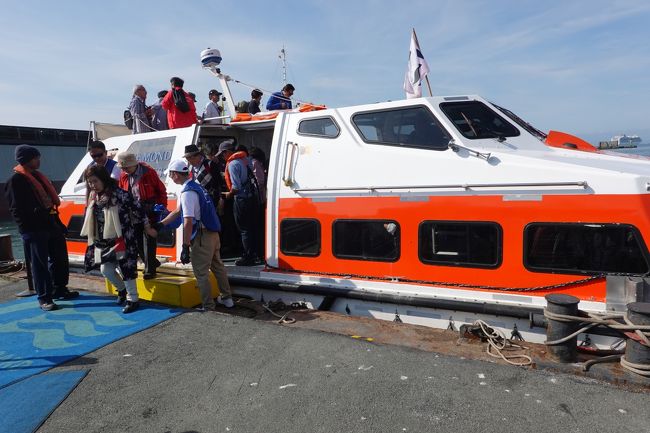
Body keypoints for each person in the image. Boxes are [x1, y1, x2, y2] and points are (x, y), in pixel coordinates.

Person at [5, 145, 78, 311]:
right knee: (39, 265)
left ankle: (59, 288)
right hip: (34, 229)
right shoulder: (15, 181)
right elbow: (16, 210)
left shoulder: (38, 177)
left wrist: (58, 224)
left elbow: (50, 204)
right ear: (26, 159)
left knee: (60, 258)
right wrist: (27, 231)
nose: (39, 160)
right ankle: (44, 297)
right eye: (35, 157)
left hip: (51, 224)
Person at [153, 159, 234, 310]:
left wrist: (185, 246)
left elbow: (188, 221)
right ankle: (228, 299)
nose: (170, 177)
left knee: (201, 273)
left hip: (202, 237)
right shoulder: (196, 186)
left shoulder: (187, 192)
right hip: (213, 234)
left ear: (176, 174)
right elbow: (178, 210)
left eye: (170, 174)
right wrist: (161, 224)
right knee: (218, 267)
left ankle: (208, 305)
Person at [81, 165, 146, 313]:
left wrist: (146, 225)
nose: (92, 185)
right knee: (106, 270)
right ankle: (122, 290)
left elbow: (138, 208)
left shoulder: (119, 194)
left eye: (95, 181)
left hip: (122, 238)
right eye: (90, 182)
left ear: (103, 179)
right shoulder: (94, 196)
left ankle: (133, 299)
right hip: (103, 240)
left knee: (126, 269)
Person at [117, 152, 167, 279]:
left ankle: (150, 270)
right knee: (138, 242)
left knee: (149, 240)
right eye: (122, 168)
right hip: (133, 213)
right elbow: (122, 193)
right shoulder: (124, 176)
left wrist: (162, 208)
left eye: (126, 167)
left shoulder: (149, 172)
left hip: (149, 210)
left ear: (134, 165)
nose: (124, 170)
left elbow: (161, 190)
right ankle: (152, 263)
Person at [222, 144, 260, 266]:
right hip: (253, 199)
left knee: (244, 229)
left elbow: (236, 188)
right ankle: (257, 254)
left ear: (228, 152)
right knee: (253, 227)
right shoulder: (245, 160)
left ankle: (248, 257)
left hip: (241, 200)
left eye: (223, 153)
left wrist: (227, 194)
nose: (223, 157)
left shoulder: (233, 164)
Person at [184, 144, 222, 209]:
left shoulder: (210, 164)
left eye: (189, 159)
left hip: (211, 201)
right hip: (197, 201)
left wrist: (221, 199)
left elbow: (219, 183)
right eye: (187, 159)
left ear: (197, 156)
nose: (189, 162)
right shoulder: (190, 168)